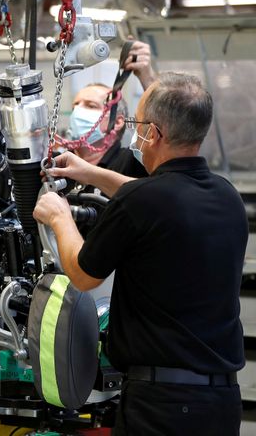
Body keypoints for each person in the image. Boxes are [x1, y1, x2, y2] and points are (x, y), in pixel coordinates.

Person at [34, 72, 246, 435]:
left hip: (160, 405)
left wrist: (59, 217)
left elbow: (83, 275)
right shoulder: (226, 196)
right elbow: (158, 195)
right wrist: (92, 173)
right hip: (221, 403)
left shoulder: (143, 202)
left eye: (138, 125)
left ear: (155, 134)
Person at [62, 41, 156, 181]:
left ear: (117, 122)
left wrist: (148, 79)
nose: (77, 111)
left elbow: (170, 133)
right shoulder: (59, 164)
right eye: (75, 105)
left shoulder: (132, 164)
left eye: (91, 106)